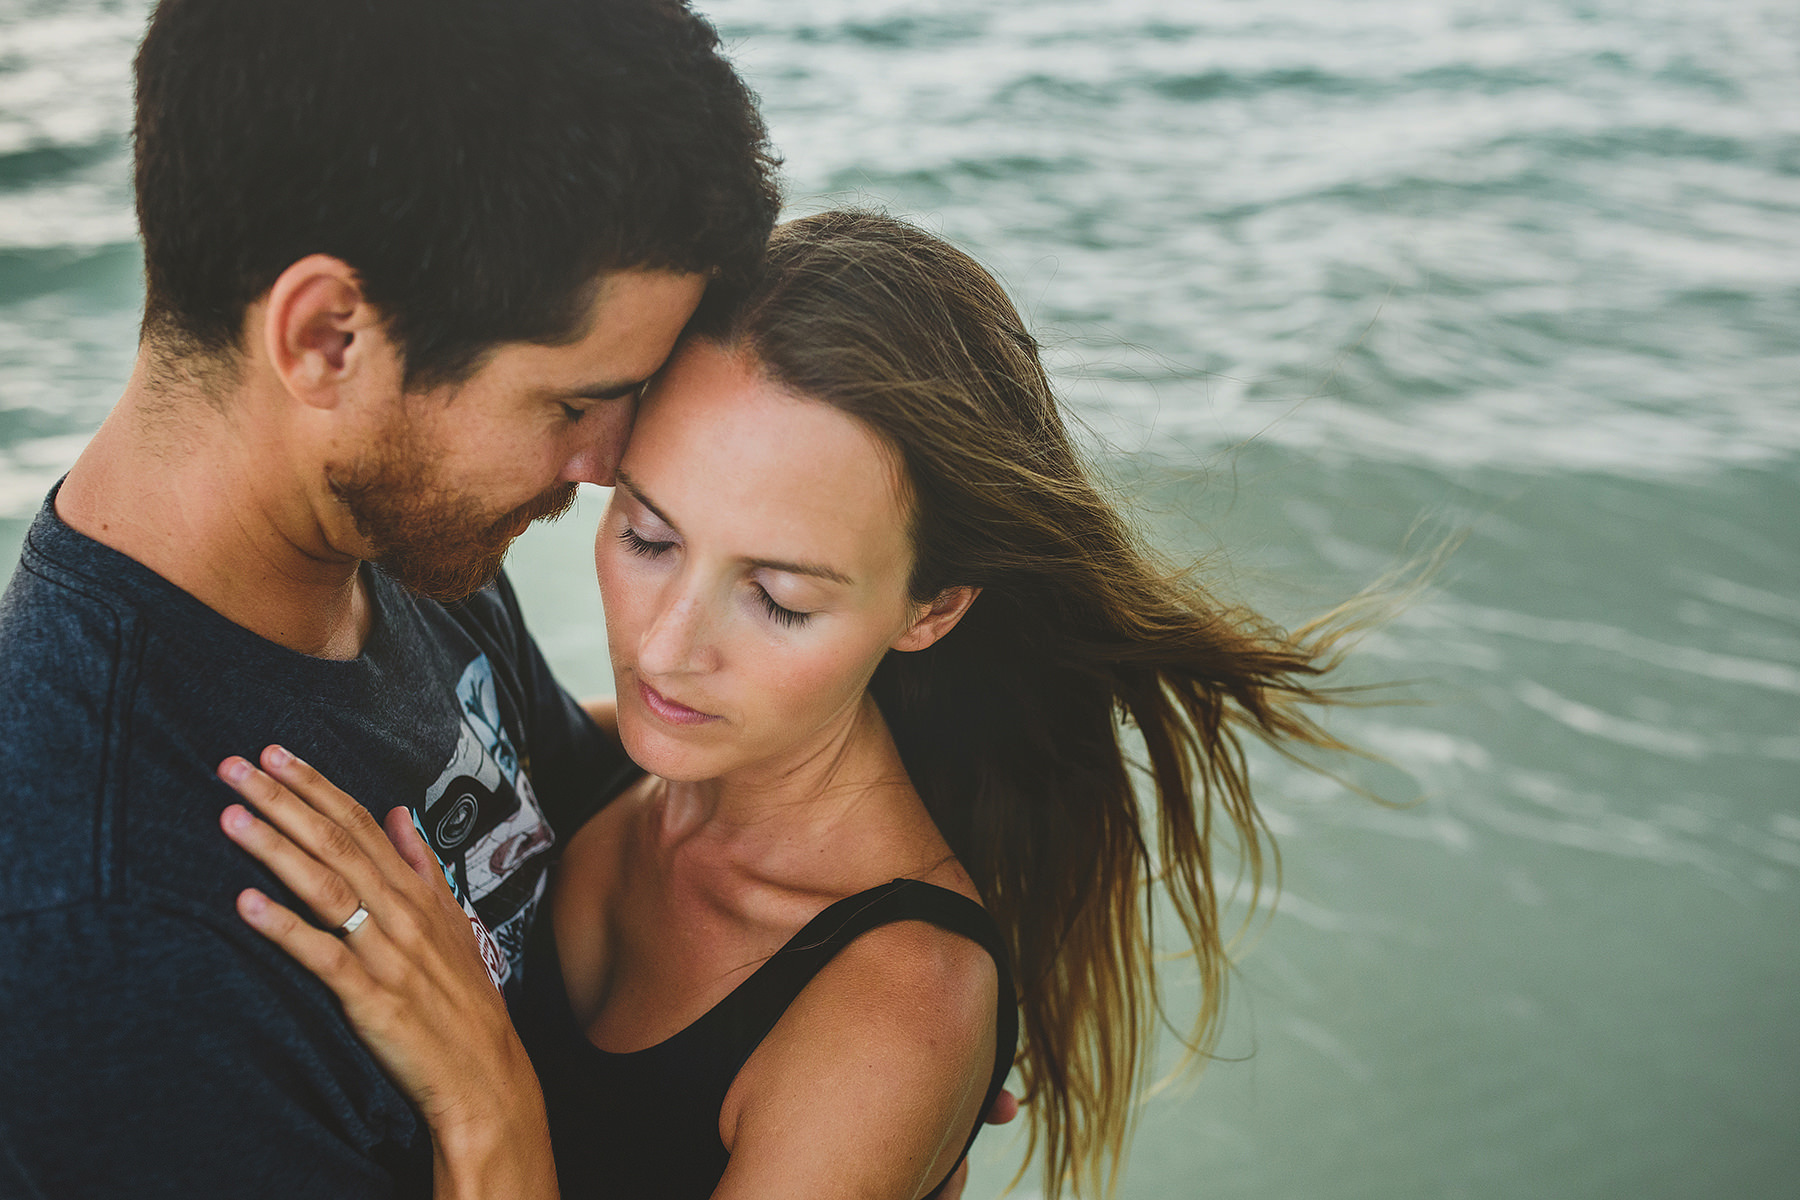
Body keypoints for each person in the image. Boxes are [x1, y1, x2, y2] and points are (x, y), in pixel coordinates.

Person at [218, 210, 1363, 1198]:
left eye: (779, 599)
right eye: (649, 536)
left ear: (930, 608)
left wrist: (485, 1104)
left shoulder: (899, 1005)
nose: (667, 649)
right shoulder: (608, 766)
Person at [0, 0, 778, 1195]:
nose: (610, 463)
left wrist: (882, 950)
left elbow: (603, 811)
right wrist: (493, 1119)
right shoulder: (113, 933)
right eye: (574, 404)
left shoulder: (390, 546)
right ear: (327, 337)